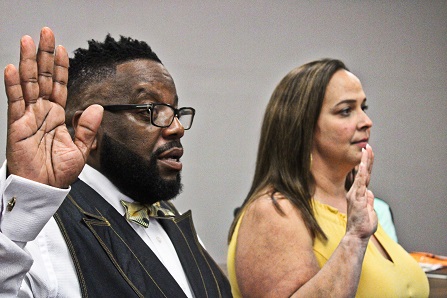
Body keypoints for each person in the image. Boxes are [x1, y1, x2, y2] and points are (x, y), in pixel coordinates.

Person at [0, 27, 231, 297]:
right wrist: (27, 202)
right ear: (90, 127)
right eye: (150, 110)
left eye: (175, 112)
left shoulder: (168, 218)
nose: (177, 127)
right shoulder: (40, 229)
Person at [227, 59, 429, 297]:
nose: (366, 122)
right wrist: (354, 238)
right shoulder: (274, 211)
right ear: (303, 126)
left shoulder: (352, 203)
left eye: (363, 108)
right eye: (345, 111)